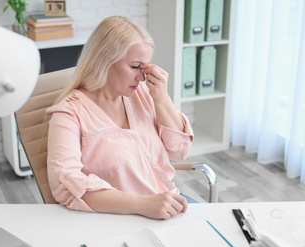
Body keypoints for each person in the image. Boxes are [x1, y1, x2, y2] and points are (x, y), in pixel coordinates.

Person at [45, 16, 194, 220]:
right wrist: (144, 205)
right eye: (135, 67)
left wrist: (161, 98)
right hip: (121, 219)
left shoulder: (143, 93)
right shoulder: (68, 115)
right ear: (104, 60)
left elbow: (180, 150)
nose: (142, 77)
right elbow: (66, 186)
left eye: (145, 67)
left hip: (172, 205)